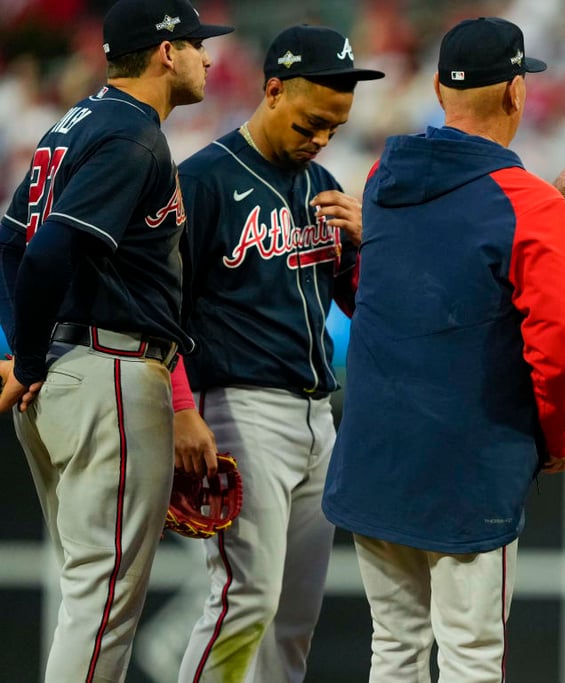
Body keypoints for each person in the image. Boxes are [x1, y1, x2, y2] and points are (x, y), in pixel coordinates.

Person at [322, 17, 565, 681]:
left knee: (394, 650)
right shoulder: (526, 206)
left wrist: (541, 216)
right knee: (472, 657)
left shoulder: (386, 179)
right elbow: (560, 344)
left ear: (442, 92)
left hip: (376, 455)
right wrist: (556, 436)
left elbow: (386, 296)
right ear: (514, 94)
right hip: (467, 465)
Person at [0, 0, 231, 680]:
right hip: (110, 370)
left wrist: (23, 352)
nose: (208, 58)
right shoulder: (134, 134)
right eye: (195, 45)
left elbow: (9, 242)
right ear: (166, 53)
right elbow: (44, 255)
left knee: (87, 594)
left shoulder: (76, 122)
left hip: (70, 376)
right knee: (103, 601)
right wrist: (31, 355)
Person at [172, 24, 384, 683]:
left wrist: (366, 244)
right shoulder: (203, 180)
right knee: (246, 599)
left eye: (335, 125)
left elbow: (359, 304)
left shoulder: (320, 179)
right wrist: (181, 409)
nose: (322, 138)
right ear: (271, 91)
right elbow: (159, 308)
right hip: (239, 406)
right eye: (311, 121)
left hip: (318, 414)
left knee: (293, 617)